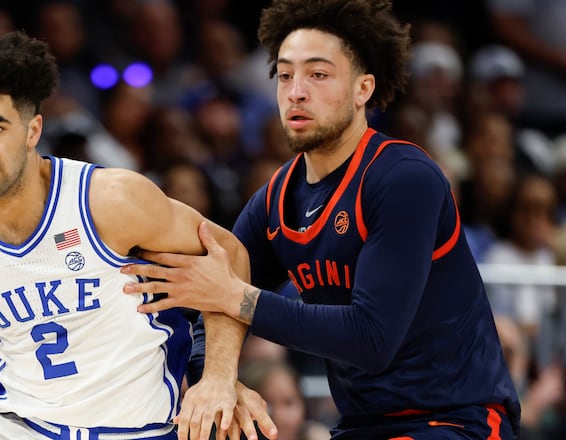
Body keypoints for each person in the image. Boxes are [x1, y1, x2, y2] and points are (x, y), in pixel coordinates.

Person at [120, 0, 522, 438]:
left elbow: (371, 339)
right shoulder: (274, 199)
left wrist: (239, 298)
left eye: (318, 74)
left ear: (362, 88)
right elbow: (211, 302)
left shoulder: (404, 178)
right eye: (285, 75)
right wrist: (216, 378)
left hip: (456, 419)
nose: (296, 91)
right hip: (360, 425)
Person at [0, 30, 276, 440]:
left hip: (141, 428)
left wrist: (219, 376)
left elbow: (230, 255)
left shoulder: (109, 200)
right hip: (20, 426)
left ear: (33, 131)